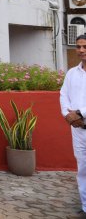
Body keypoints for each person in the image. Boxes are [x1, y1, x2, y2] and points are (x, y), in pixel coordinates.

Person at [61, 34, 86, 216]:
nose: (81, 50)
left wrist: (79, 113)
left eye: (84, 46)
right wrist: (67, 115)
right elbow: (64, 95)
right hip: (78, 130)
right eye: (78, 47)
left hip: (80, 119)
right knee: (82, 168)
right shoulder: (71, 73)